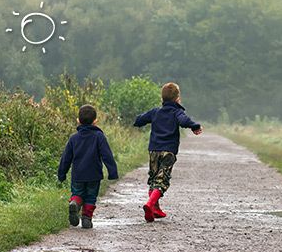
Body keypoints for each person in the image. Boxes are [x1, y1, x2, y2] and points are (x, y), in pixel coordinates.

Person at [133, 82, 202, 222]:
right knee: (162, 180)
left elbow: (138, 121)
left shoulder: (154, 112)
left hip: (153, 150)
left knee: (153, 178)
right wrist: (195, 126)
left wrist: (139, 121)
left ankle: (155, 209)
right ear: (177, 100)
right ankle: (150, 204)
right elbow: (184, 121)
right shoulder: (177, 111)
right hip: (168, 152)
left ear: (162, 100)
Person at [58, 104, 118, 229]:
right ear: (95, 121)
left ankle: (75, 202)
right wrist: (112, 172)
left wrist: (62, 174)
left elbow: (66, 158)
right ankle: (86, 218)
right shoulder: (99, 136)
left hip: (78, 175)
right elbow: (107, 155)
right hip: (94, 175)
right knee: (91, 197)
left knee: (77, 193)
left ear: (78, 121)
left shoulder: (74, 138)